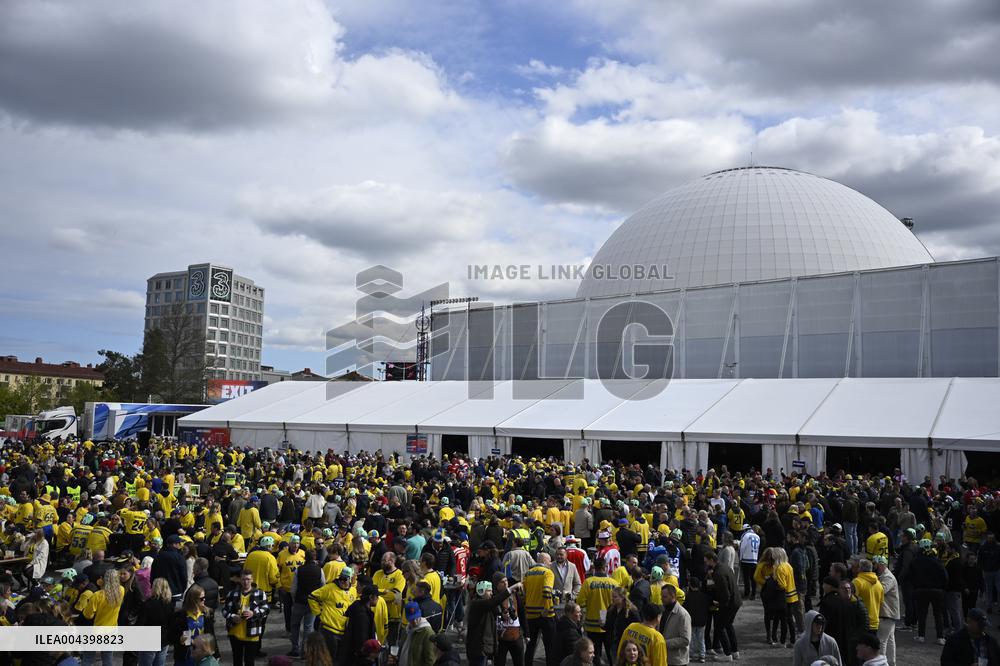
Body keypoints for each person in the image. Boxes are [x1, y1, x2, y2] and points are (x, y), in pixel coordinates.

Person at [223, 569, 269, 666]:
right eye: (243, 579)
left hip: (252, 633)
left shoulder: (260, 593)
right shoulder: (232, 594)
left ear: (252, 580)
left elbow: (266, 610)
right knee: (237, 660)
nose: (245, 582)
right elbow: (224, 610)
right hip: (234, 633)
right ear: (240, 580)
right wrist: (232, 616)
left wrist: (253, 613)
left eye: (248, 579)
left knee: (249, 661)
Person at [578, 557, 617, 666]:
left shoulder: (588, 582)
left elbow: (580, 602)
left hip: (592, 625)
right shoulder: (614, 583)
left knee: (595, 655)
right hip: (609, 624)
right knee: (611, 654)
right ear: (605, 567)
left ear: (594, 568)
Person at [82, 570, 126, 666]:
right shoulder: (121, 590)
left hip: (96, 632)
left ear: (104, 579)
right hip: (112, 630)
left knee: (88, 657)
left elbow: (88, 615)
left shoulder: (97, 595)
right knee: (107, 657)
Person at [290, 548, 325, 658]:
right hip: (312, 603)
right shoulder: (319, 570)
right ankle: (305, 651)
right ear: (315, 557)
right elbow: (323, 585)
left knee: (295, 625)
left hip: (299, 601)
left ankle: (295, 648)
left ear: (305, 557)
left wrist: (294, 599)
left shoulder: (299, 570)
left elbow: (293, 588)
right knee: (308, 628)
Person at [138, 578, 175, 666]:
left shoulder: (148, 603)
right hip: (164, 639)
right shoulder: (170, 604)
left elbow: (141, 622)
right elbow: (171, 623)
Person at [871, 556, 898, 666]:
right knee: (890, 640)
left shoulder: (888, 577)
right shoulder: (883, 576)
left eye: (875, 564)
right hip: (889, 613)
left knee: (881, 641)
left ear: (881, 565)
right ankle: (891, 663)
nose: (874, 567)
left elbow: (880, 591)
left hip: (887, 613)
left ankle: (881, 664)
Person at [659, 582, 691, 666]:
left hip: (677, 660)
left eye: (664, 597)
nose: (661, 599)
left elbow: (685, 640)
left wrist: (663, 643)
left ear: (673, 596)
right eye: (661, 596)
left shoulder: (683, 615)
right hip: (665, 657)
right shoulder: (663, 610)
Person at [400, 602, 435, 666]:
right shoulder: (406, 630)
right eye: (411, 619)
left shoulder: (427, 633)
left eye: (416, 617)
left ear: (420, 614)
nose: (415, 621)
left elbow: (430, 660)